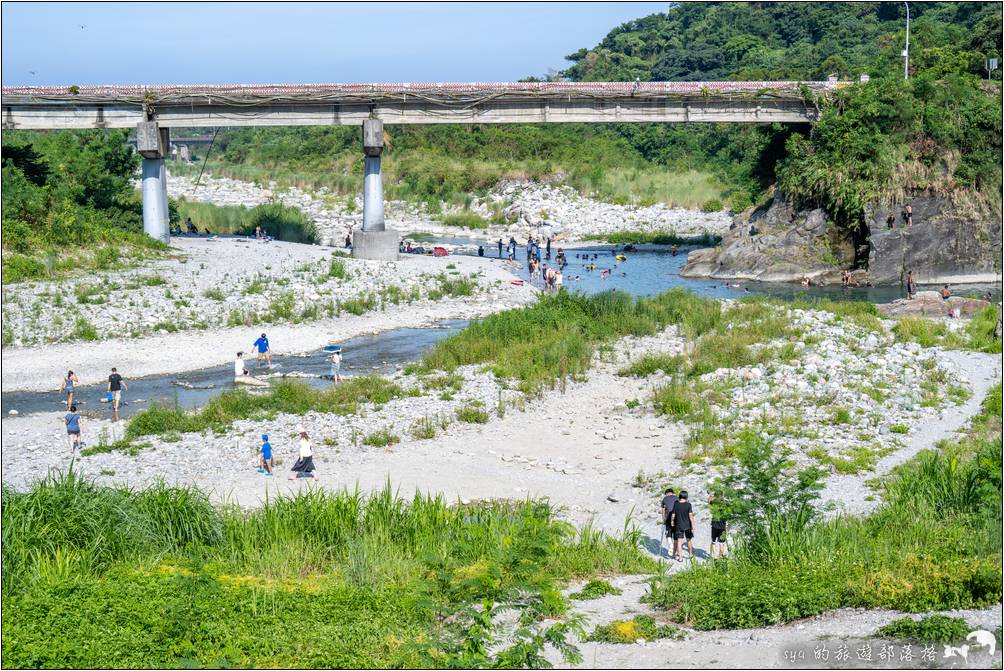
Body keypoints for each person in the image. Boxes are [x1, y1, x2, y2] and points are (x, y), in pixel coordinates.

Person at [670, 490, 695, 562]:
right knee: (689, 540)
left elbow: (673, 515)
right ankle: (690, 554)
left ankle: (680, 558)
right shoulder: (688, 505)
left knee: (679, 541)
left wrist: (672, 521)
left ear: (679, 496)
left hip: (678, 525)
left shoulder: (676, 504)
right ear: (686, 497)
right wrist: (693, 526)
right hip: (687, 525)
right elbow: (691, 516)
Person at [708, 493, 727, 559]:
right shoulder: (726, 506)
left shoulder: (714, 504)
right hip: (722, 527)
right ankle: (721, 556)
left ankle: (715, 557)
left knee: (713, 542)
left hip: (714, 526)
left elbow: (709, 500)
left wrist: (711, 496)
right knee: (721, 543)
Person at [660, 488, 678, 555]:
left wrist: (663, 519)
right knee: (676, 535)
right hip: (677, 518)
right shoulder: (677, 498)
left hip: (669, 518)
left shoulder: (665, 499)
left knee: (668, 533)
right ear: (672, 493)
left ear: (666, 493)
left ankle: (671, 546)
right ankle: (676, 552)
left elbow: (663, 510)